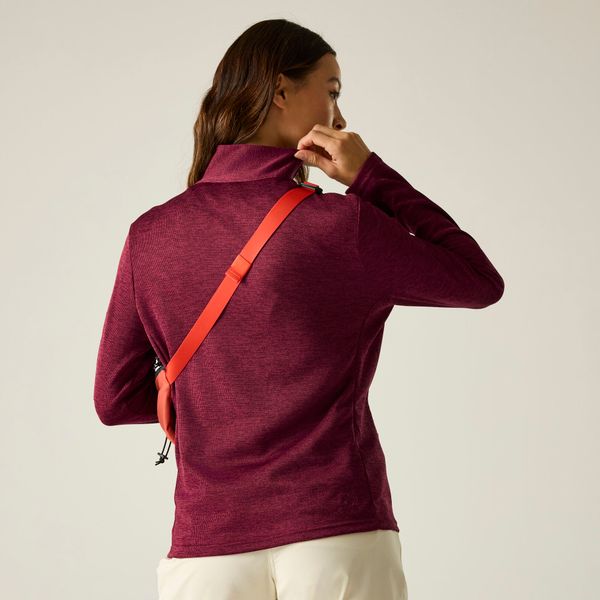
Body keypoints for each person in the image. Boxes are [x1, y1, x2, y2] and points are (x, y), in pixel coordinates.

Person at [94, 18, 504, 600]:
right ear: (281, 91)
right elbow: (478, 280)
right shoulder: (342, 226)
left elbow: (112, 400)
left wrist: (216, 405)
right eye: (332, 91)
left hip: (207, 551)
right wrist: (372, 177)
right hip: (335, 530)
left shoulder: (151, 235)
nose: (340, 117)